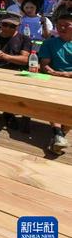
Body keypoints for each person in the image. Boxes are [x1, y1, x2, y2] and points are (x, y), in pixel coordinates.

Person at [39, 11, 72, 154]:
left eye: (67, 25)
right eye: (59, 25)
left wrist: (68, 74)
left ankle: (59, 135)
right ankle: (59, 133)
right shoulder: (49, 43)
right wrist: (54, 73)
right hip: (53, 78)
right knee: (53, 102)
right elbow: (44, 64)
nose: (62, 28)